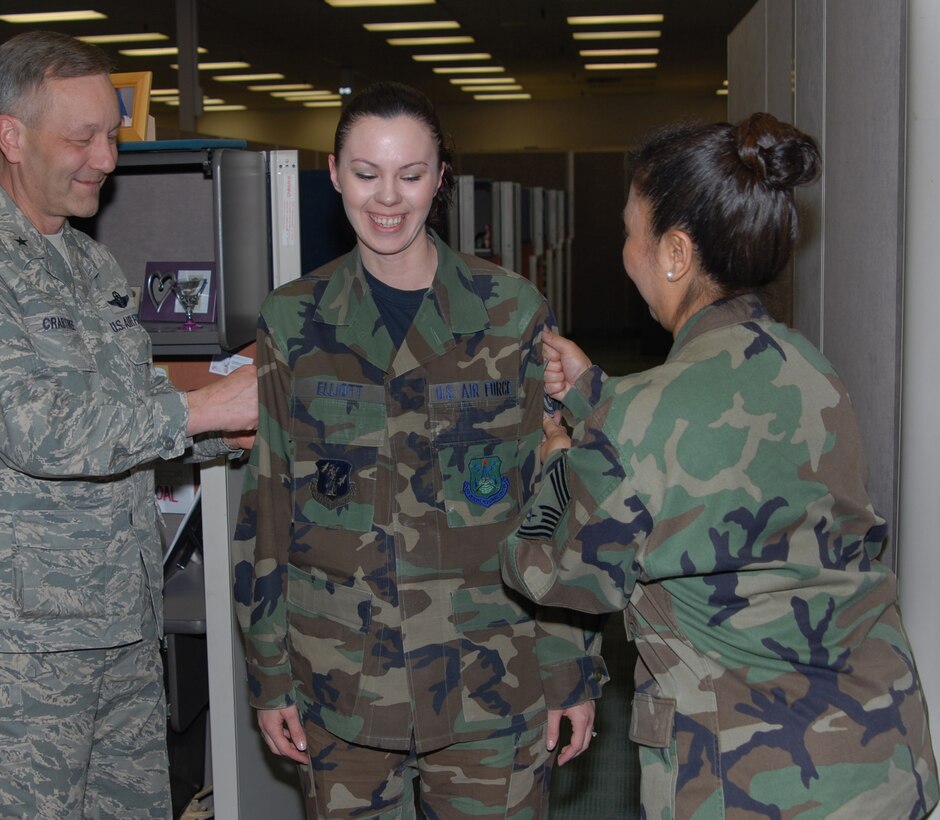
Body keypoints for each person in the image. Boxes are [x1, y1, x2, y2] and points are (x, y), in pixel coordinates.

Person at [501, 113, 940, 818]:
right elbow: (716, 448)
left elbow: (543, 568)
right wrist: (597, 396)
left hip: (750, 780)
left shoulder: (639, 417)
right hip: (884, 752)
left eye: (630, 233)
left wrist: (559, 461)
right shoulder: (812, 371)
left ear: (675, 253)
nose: (626, 252)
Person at [231, 81, 604, 818]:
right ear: (333, 173)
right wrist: (270, 672)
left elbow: (553, 502)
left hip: (492, 680)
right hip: (341, 682)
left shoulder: (509, 313)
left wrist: (570, 669)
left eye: (410, 174)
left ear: (441, 179)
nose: (387, 199)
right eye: (366, 173)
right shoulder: (293, 320)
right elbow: (267, 508)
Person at [0, 31, 257, 818]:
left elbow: (131, 407)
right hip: (11, 656)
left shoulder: (87, 263)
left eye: (111, 134)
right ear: (12, 136)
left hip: (118, 632)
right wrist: (204, 408)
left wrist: (233, 427)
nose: (106, 158)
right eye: (83, 137)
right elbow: (41, 431)